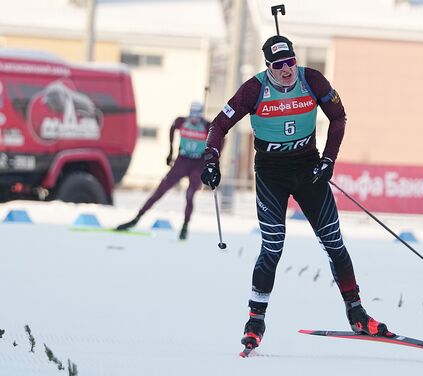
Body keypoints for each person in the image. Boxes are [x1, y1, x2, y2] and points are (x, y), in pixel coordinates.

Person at [200, 35, 393, 351]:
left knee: (334, 242)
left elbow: (338, 117)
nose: (287, 69)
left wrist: (329, 159)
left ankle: (357, 313)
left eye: (291, 61)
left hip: (308, 170)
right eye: (279, 65)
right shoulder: (254, 89)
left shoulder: (312, 80)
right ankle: (255, 321)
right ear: (269, 67)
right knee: (273, 247)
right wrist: (211, 158)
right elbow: (219, 126)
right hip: (271, 174)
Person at [116, 101, 210, 240]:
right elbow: (172, 129)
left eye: (197, 115)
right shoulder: (182, 121)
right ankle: (136, 218)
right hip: (182, 161)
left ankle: (184, 227)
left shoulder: (207, 126)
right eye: (192, 114)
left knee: (190, 195)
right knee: (159, 191)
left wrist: (210, 161)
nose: (194, 118)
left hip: (197, 164)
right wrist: (171, 151)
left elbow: (220, 139)